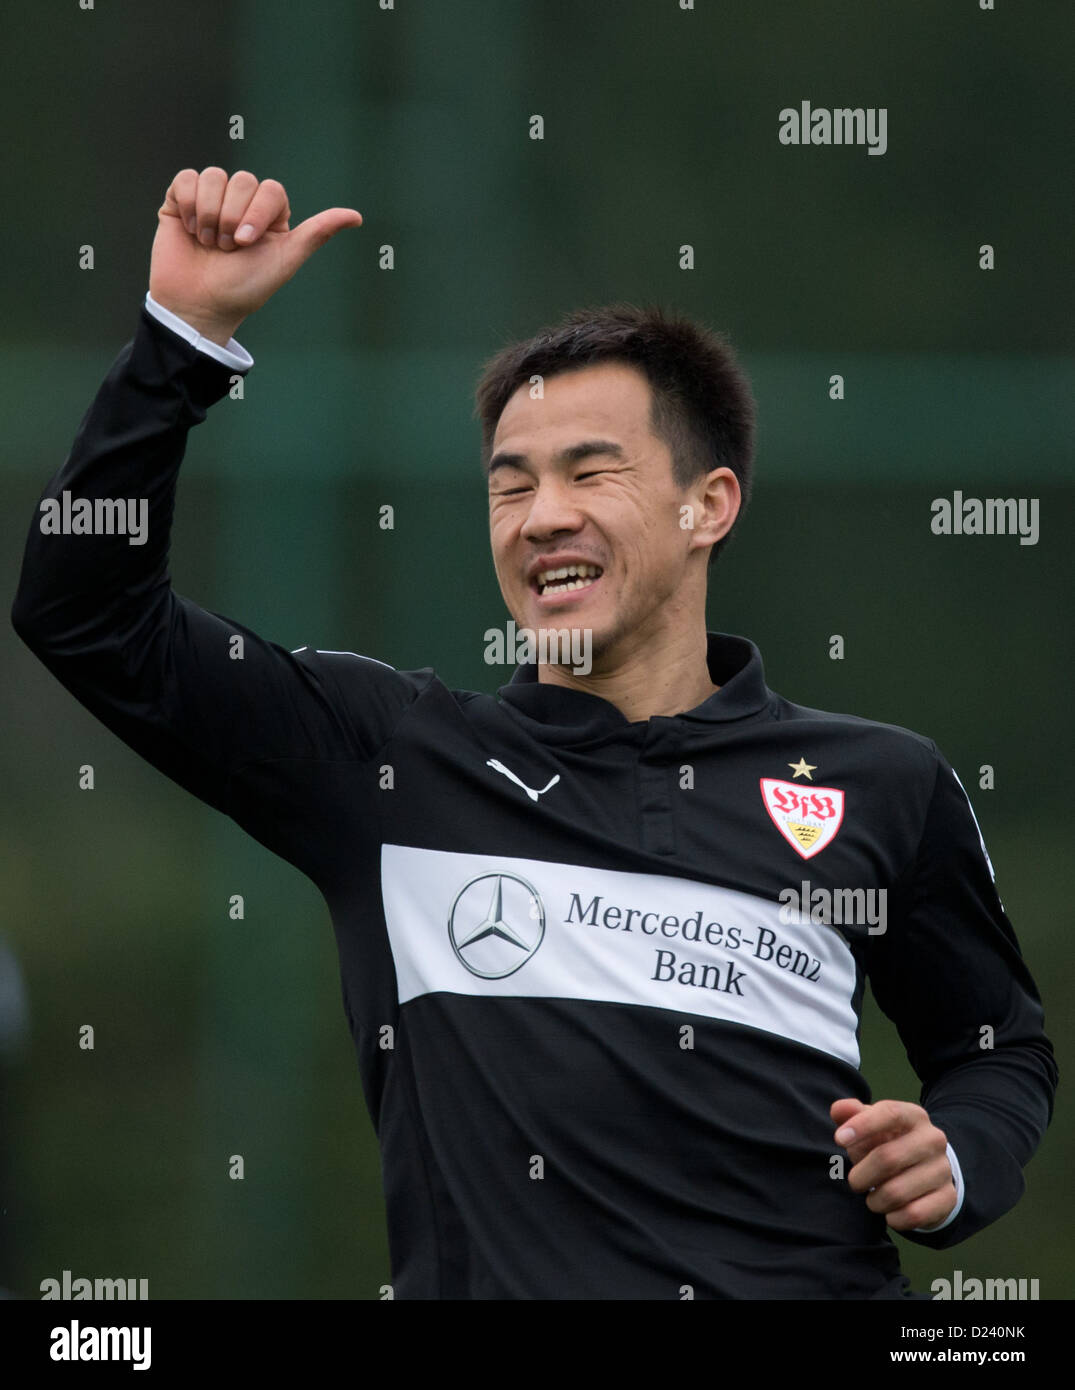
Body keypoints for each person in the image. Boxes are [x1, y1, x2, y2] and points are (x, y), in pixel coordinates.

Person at [11, 167, 1057, 1300]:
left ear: (709, 503)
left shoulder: (882, 783)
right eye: (509, 488)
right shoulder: (390, 759)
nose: (542, 515)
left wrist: (954, 1159)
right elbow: (83, 613)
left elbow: (997, 1050)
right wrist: (182, 340)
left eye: (589, 471)